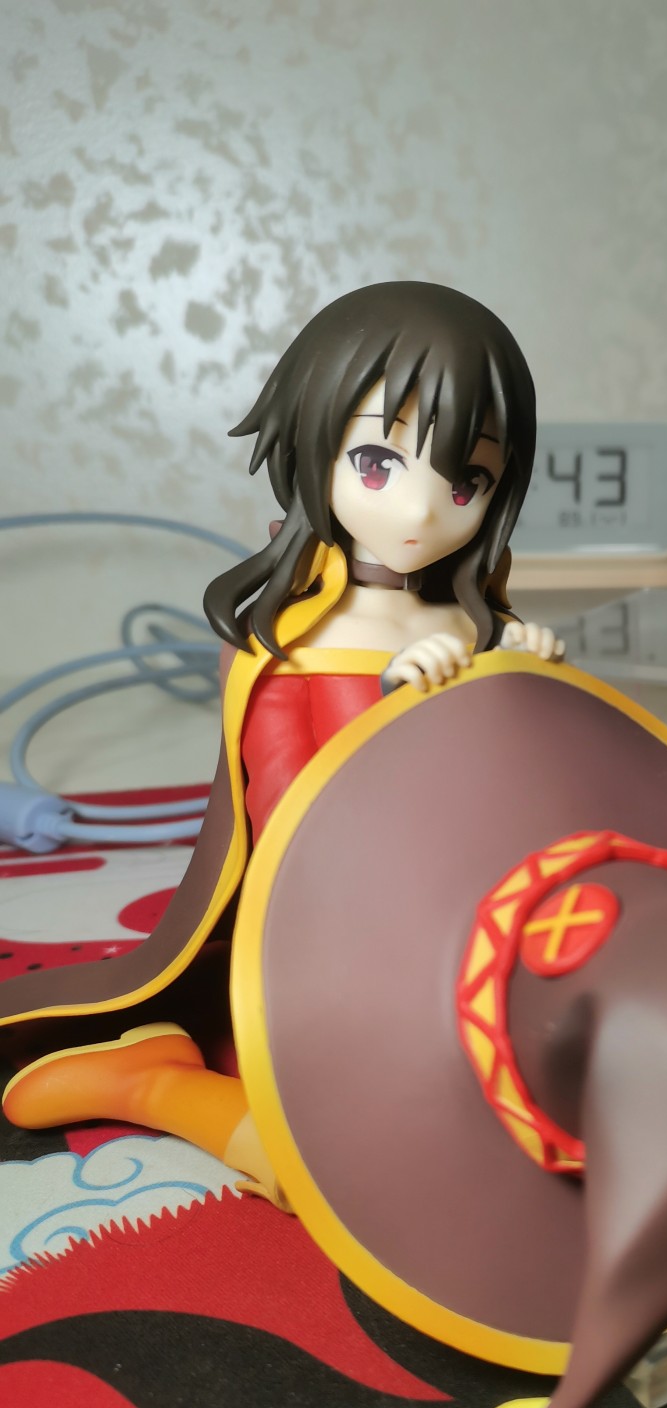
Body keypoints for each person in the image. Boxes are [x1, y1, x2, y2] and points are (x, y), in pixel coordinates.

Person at [2, 281, 562, 1205]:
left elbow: (530, 803)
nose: (423, 512)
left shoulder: (473, 624)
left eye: (466, 481)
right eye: (379, 463)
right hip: (330, 940)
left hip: (467, 920)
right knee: (325, 1159)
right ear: (313, 440)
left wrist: (528, 688)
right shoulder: (292, 639)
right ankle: (154, 1084)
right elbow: (289, 814)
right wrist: (397, 708)